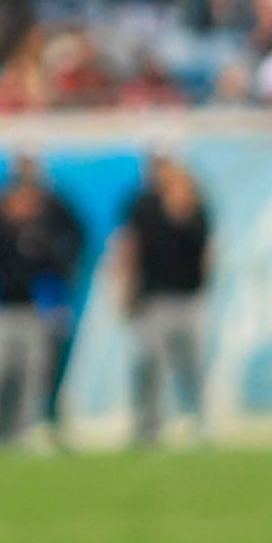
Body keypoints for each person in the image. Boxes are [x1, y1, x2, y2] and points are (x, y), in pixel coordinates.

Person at [0, 157, 83, 450]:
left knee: (34, 375)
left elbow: (76, 241)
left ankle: (26, 431)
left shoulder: (52, 214)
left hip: (37, 308)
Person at [104, 160, 214, 445]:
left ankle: (197, 421)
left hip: (187, 297)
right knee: (148, 362)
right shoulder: (140, 204)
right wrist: (126, 289)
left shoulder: (194, 202)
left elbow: (205, 250)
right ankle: (148, 426)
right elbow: (129, 246)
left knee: (190, 364)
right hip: (152, 298)